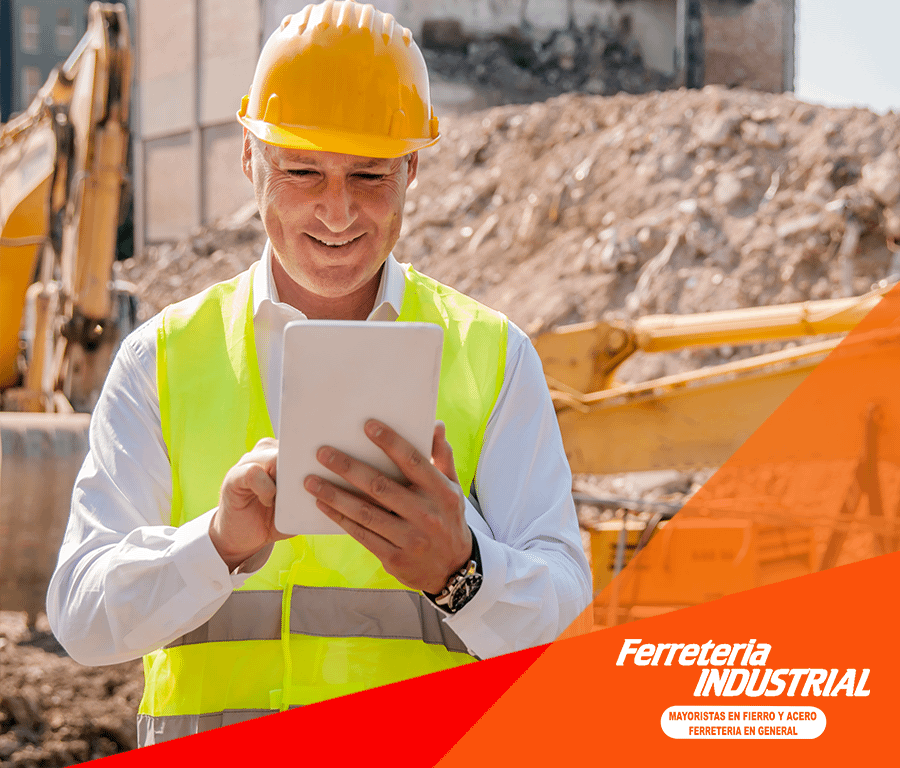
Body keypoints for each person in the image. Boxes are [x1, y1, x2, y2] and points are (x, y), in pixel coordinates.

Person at [47, 0, 591, 746]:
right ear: (250, 158)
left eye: (369, 176)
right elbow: (82, 619)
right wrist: (216, 545)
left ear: (412, 168)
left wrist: (462, 571)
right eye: (302, 171)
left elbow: (565, 628)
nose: (337, 213)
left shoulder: (493, 356)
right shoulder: (161, 359)